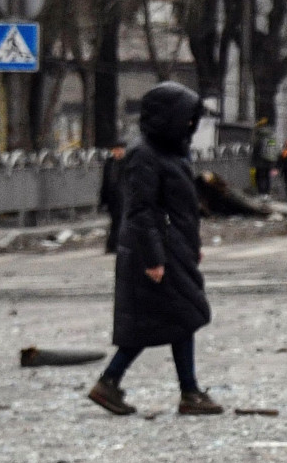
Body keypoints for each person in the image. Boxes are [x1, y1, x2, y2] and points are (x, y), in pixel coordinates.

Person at [87, 83, 222, 416]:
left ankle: (183, 391)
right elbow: (140, 209)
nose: (191, 126)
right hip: (156, 252)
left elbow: (180, 208)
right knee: (166, 320)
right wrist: (154, 258)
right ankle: (116, 382)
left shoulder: (168, 151)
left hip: (173, 247)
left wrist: (192, 245)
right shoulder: (143, 155)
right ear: (169, 118)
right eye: (188, 119)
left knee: (177, 318)